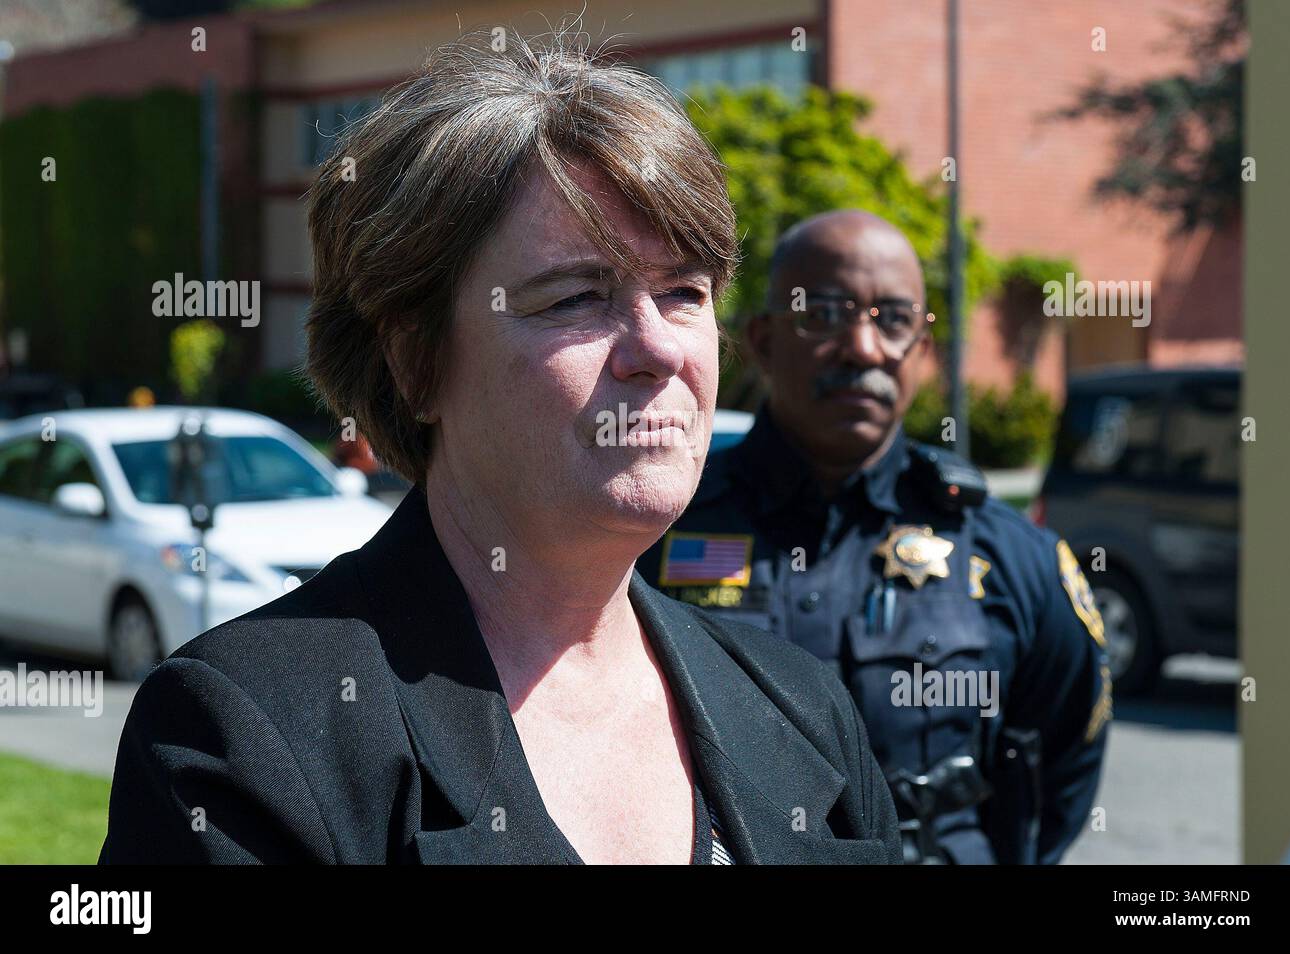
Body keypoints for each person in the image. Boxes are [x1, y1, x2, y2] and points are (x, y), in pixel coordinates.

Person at [99, 33, 901, 865]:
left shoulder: (804, 712)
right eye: (576, 298)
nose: (656, 347)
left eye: (683, 293)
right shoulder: (242, 733)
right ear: (416, 361)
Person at [639, 210, 1110, 864]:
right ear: (765, 340)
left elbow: (1063, 766)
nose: (863, 347)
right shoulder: (659, 527)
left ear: (923, 347)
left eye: (893, 319)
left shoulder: (1004, 550)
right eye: (825, 314)